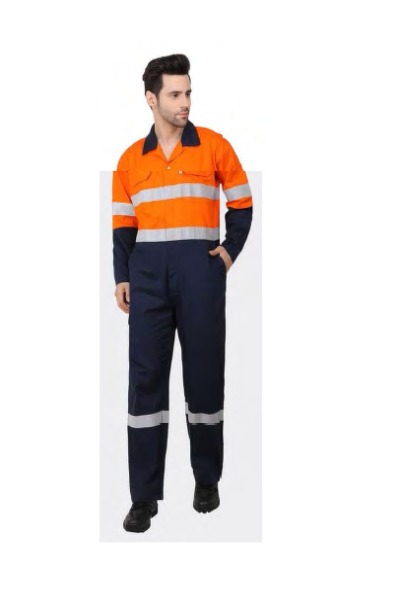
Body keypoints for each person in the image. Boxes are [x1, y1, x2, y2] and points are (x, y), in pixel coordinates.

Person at [112, 53, 253, 533]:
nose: (185, 102)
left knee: (205, 378)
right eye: (174, 94)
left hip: (200, 277)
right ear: (151, 99)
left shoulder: (214, 146)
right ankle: (143, 497)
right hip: (148, 281)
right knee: (145, 383)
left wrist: (227, 255)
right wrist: (122, 276)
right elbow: (123, 227)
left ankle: (206, 480)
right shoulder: (130, 160)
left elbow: (242, 204)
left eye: (188, 92)